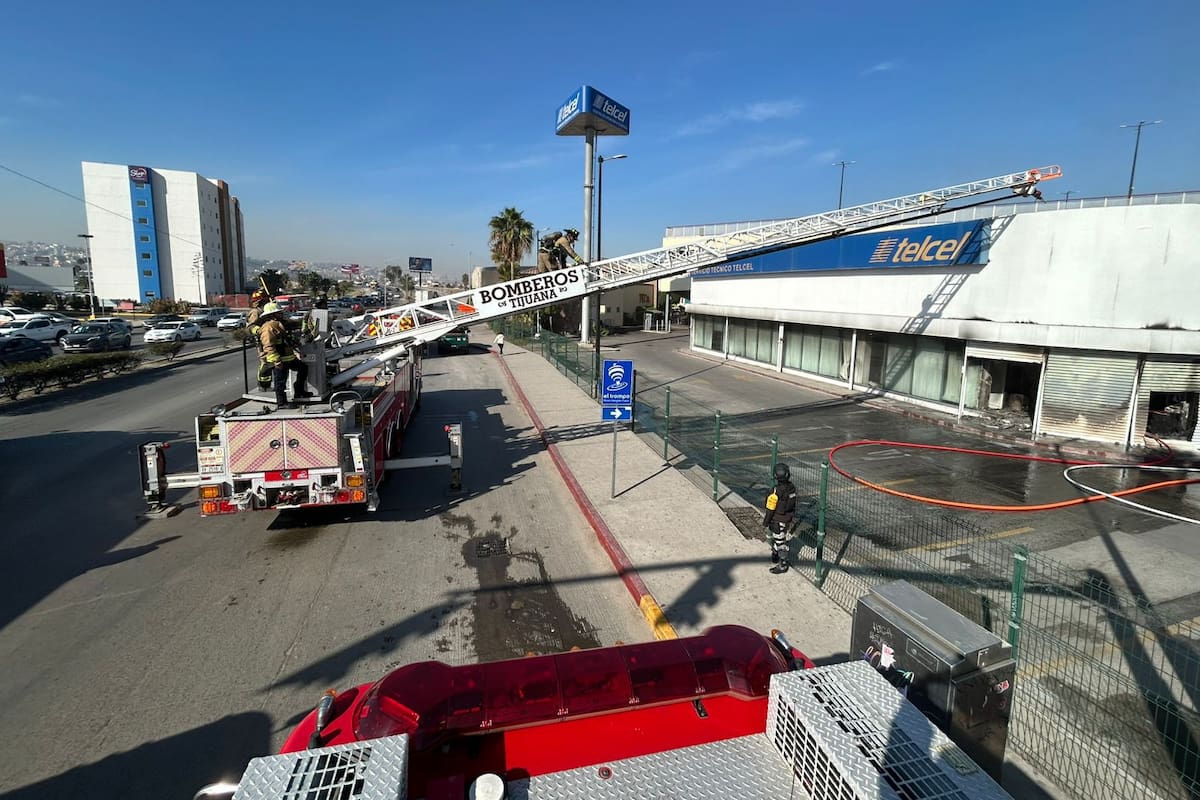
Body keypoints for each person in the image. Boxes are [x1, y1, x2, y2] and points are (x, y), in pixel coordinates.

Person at [258, 301, 312, 408]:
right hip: (279, 360)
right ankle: (282, 403)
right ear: (272, 315)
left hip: (288, 358)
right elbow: (268, 345)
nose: (281, 314)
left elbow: (286, 339)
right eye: (278, 312)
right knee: (280, 381)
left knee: (303, 368)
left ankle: (299, 391)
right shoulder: (268, 327)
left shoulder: (279, 324)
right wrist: (276, 361)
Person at [762, 461, 798, 574]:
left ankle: (783, 564)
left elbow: (770, 508)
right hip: (787, 519)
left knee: (780, 542)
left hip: (777, 520)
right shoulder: (792, 488)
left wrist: (766, 522)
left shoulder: (775, 491)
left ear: (775, 476)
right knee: (780, 538)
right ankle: (775, 554)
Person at [245, 288, 273, 390]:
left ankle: (267, 384)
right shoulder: (255, 312)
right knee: (265, 362)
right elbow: (250, 327)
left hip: (267, 339)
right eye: (265, 300)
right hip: (261, 340)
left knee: (270, 361)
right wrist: (260, 331)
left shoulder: (264, 310)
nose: (267, 301)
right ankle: (263, 385)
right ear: (261, 301)